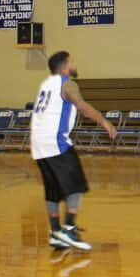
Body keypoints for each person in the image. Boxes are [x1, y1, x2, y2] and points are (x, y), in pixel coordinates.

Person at [31, 51, 117, 252]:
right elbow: (83, 107)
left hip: (38, 144)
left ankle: (55, 232)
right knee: (76, 185)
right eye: (72, 61)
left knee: (52, 190)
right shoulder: (67, 83)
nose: (75, 64)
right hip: (55, 142)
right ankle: (68, 228)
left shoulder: (45, 84)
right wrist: (104, 121)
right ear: (65, 65)